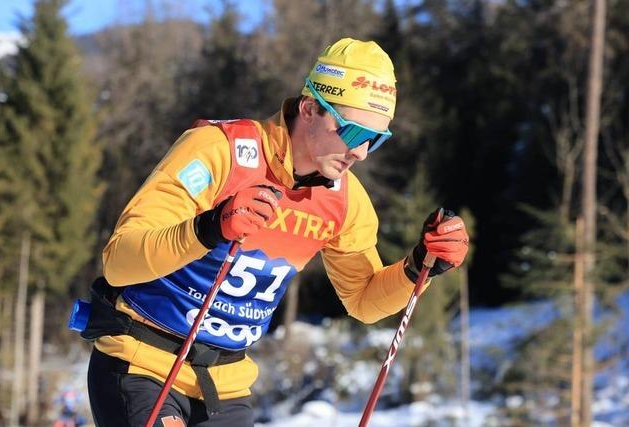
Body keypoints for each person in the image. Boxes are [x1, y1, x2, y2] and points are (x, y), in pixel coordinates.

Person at [84, 38, 469, 427]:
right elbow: (119, 263)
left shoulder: (345, 202)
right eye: (353, 133)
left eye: (376, 139)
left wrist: (418, 267)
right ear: (309, 108)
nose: (362, 152)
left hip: (225, 387)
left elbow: (363, 300)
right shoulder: (217, 152)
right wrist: (209, 228)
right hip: (142, 364)